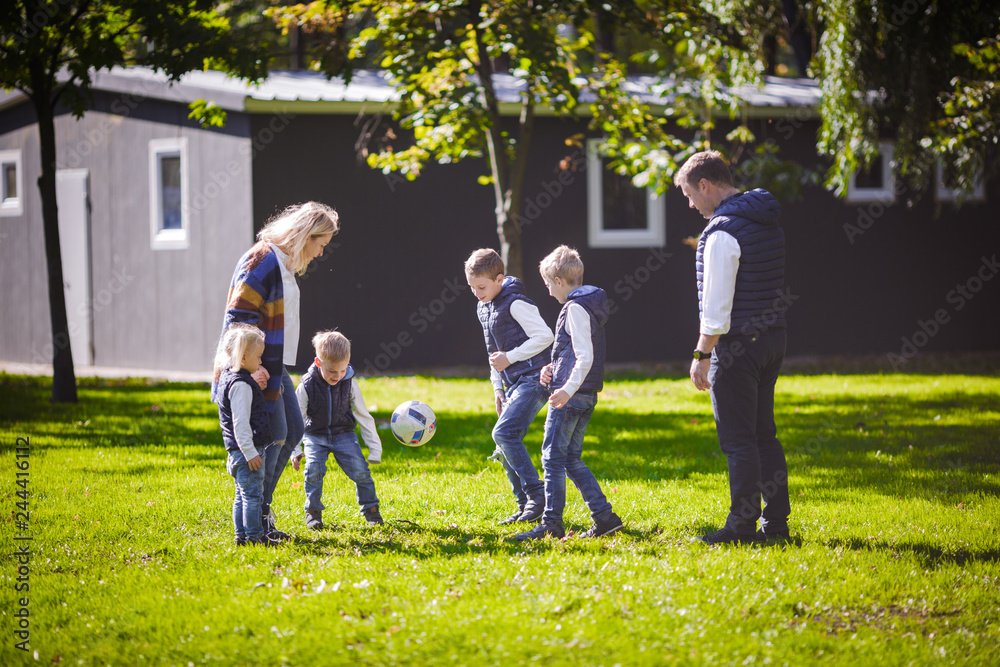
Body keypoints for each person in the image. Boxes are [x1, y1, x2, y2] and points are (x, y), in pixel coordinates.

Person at [674, 150, 791, 545]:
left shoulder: (723, 230)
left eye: (690, 194)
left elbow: (717, 304)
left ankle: (741, 526)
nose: (690, 204)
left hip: (739, 344)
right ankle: (776, 525)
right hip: (773, 336)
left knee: (739, 439)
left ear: (705, 185)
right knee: (764, 434)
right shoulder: (763, 218)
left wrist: (702, 354)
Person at [212, 201, 339, 540]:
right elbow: (238, 319)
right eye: (320, 244)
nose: (320, 254)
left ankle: (260, 509)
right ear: (304, 235)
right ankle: (256, 515)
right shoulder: (263, 260)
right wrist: (245, 371)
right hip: (254, 370)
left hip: (273, 364)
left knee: (292, 430)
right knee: (275, 437)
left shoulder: (281, 263)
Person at [515, 246, 622, 541]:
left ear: (559, 281)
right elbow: (574, 353)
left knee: (551, 457)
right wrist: (553, 367)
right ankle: (605, 517)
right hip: (584, 394)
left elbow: (584, 356)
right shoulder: (589, 303)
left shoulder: (574, 308)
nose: (548, 292)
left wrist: (565, 389)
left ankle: (551, 524)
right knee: (571, 458)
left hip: (572, 396)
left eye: (549, 285)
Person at [465, 249, 554, 525]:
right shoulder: (484, 306)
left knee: (504, 432)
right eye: (471, 287)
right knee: (503, 442)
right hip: (512, 384)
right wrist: (498, 390)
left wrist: (511, 357)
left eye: (481, 287)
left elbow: (545, 336)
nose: (476, 293)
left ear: (499, 279)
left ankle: (537, 496)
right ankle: (524, 505)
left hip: (535, 378)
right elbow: (493, 353)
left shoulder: (515, 302)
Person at [290, 330, 384, 529]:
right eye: (332, 372)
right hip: (315, 435)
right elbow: (297, 418)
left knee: (361, 471)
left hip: (344, 434)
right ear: (318, 362)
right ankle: (313, 512)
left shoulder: (349, 383)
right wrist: (296, 449)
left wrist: (375, 448)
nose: (338, 376)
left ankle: (371, 510)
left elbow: (363, 416)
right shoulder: (306, 386)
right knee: (313, 470)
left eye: (342, 371)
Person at [213, 324, 274, 546]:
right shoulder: (242, 385)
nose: (260, 362)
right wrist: (250, 453)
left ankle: (241, 536)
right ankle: (255, 537)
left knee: (241, 495)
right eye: (258, 357)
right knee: (252, 497)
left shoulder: (228, 377)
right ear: (244, 355)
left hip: (236, 452)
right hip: (246, 452)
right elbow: (240, 424)